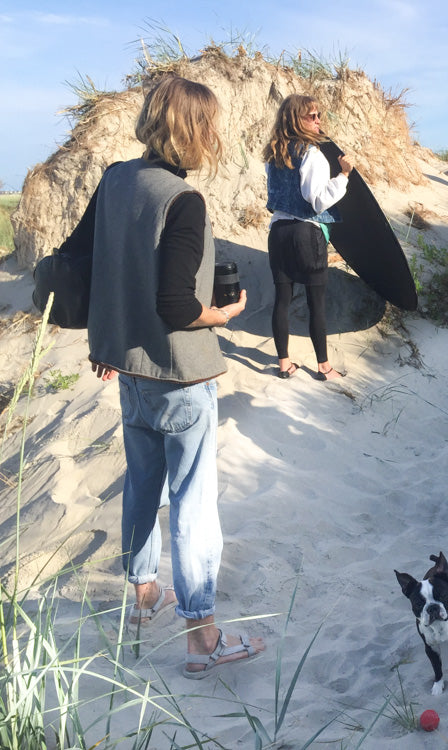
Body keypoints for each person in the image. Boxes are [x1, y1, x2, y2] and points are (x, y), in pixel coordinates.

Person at [59, 75, 265, 676]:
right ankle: (202, 636)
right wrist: (221, 313)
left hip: (128, 369)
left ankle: (145, 595)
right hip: (179, 374)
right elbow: (177, 305)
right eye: (211, 126)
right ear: (194, 130)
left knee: (143, 485)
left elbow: (89, 263)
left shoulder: (116, 179)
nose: (216, 136)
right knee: (194, 503)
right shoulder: (184, 200)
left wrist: (106, 340)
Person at [263, 94, 353, 380]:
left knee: (282, 299)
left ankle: (284, 364)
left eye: (318, 115)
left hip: (277, 232)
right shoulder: (311, 154)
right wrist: (344, 177)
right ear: (296, 120)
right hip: (305, 232)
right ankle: (324, 368)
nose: (318, 120)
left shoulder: (274, 154)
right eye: (311, 116)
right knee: (316, 301)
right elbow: (317, 200)